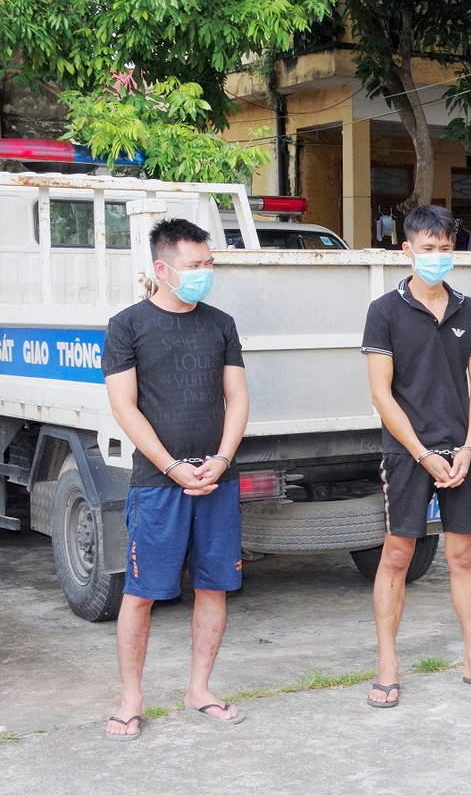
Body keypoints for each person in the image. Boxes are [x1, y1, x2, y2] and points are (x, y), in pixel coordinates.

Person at [360, 204, 471, 707]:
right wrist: (423, 454)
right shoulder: (384, 312)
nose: (438, 257)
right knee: (397, 555)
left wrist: (469, 448)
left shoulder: (467, 310)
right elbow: (381, 396)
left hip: (461, 452)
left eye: (446, 249)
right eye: (428, 249)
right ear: (406, 250)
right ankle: (388, 666)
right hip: (409, 453)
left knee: (464, 556)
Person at [101, 218, 250, 739]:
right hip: (157, 483)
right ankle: (131, 698)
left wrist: (223, 459)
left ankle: (200, 689)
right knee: (141, 593)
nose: (204, 273)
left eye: (209, 264)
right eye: (194, 266)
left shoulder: (221, 323)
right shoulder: (127, 326)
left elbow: (238, 397)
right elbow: (125, 407)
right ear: (162, 269)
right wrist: (170, 465)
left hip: (216, 480)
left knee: (215, 586)